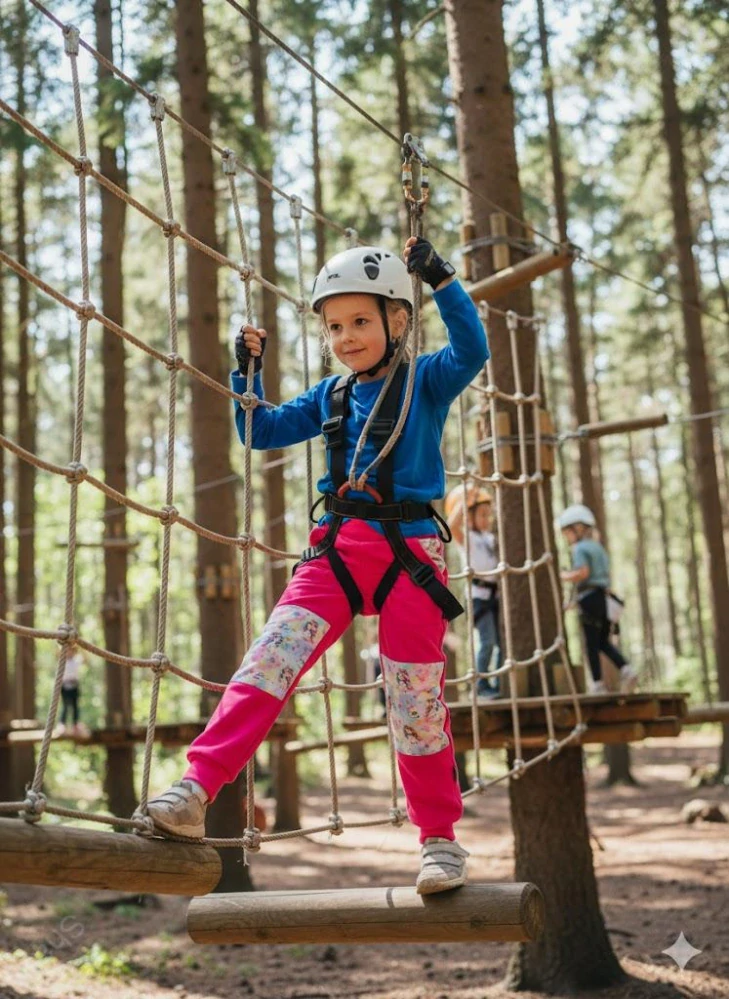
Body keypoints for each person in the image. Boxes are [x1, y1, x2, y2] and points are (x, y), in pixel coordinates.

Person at [147, 237, 489, 894]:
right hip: (336, 551)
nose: (346, 336)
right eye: (334, 325)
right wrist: (247, 372)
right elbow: (259, 431)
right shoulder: (330, 396)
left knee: (414, 699)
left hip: (411, 556)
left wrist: (441, 280)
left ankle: (439, 839)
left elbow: (472, 349)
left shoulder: (425, 380)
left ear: (397, 320)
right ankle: (195, 788)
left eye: (361, 321)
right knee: (268, 660)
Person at [558, 504, 638, 695]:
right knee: (603, 641)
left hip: (590, 599)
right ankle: (626, 669)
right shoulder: (598, 548)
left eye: (568, 532)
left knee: (591, 643)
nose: (567, 538)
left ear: (577, 529)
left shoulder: (580, 549)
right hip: (602, 599)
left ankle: (597, 683)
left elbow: (583, 573)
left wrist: (562, 575)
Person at [446, 486, 502, 697]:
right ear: (469, 516)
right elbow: (451, 527)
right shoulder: (467, 538)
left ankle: (497, 683)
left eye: (489, 514)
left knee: (501, 642)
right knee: (487, 641)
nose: (487, 519)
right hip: (479, 597)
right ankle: (480, 685)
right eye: (481, 514)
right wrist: (466, 500)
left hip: (496, 595)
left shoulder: (490, 537)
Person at [59, 643, 88, 736]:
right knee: (66, 705)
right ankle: (62, 724)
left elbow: (85, 659)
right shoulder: (62, 661)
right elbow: (56, 651)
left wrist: (82, 646)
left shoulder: (76, 660)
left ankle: (75, 724)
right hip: (64, 685)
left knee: (75, 705)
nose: (69, 652)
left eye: (71, 650)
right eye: (67, 651)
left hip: (74, 685)